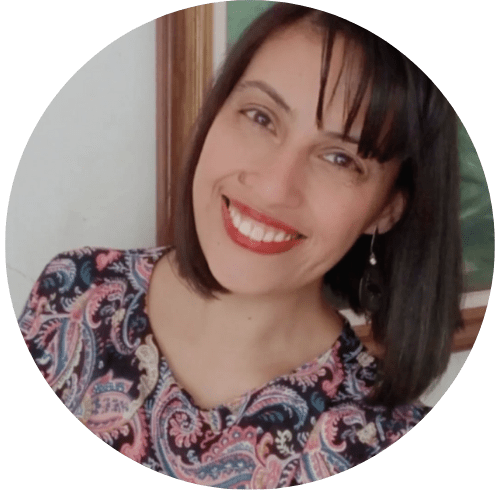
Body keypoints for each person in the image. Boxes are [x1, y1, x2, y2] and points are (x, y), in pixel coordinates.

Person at [18, 3, 462, 489]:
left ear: (387, 209)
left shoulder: (387, 444)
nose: (273, 187)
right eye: (260, 117)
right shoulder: (72, 293)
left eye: (339, 158)